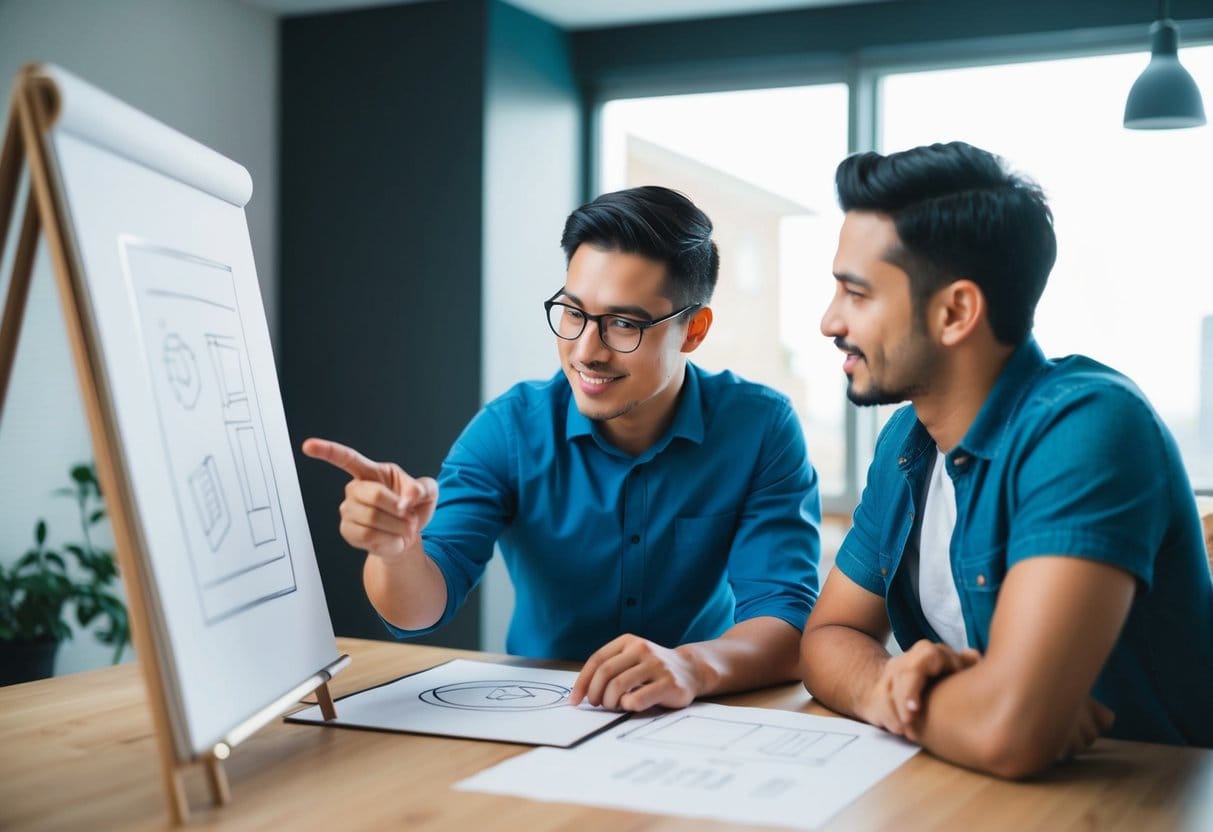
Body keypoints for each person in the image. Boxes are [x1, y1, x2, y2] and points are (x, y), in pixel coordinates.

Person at [306, 185, 821, 712]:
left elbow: (786, 620)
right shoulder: (511, 429)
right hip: (542, 716)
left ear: (693, 330)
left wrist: (691, 665)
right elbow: (418, 609)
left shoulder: (760, 427)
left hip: (701, 712)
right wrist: (396, 552)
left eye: (623, 324)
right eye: (573, 313)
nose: (585, 352)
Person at [800, 141, 1213, 778]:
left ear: (956, 311)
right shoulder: (905, 442)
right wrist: (897, 691)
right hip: (973, 791)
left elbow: (1009, 733)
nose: (830, 321)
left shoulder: (1089, 429)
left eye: (857, 294)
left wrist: (999, 717)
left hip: (1140, 803)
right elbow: (826, 642)